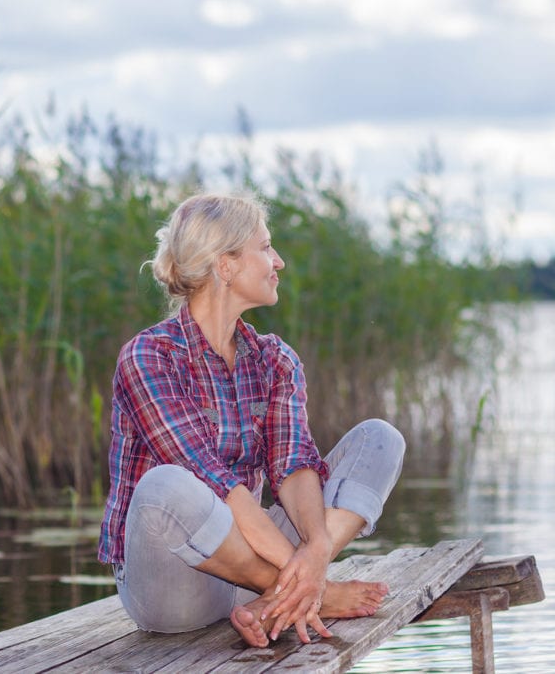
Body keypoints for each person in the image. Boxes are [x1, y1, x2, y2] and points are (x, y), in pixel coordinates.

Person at [97, 192, 406, 648]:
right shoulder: (148, 357)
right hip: (171, 588)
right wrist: (306, 576)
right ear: (226, 265)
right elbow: (221, 489)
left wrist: (316, 554)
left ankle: (280, 598)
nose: (278, 261)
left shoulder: (275, 359)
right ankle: (304, 593)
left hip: (245, 563)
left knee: (381, 439)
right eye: (265, 247)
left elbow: (295, 466)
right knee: (166, 485)